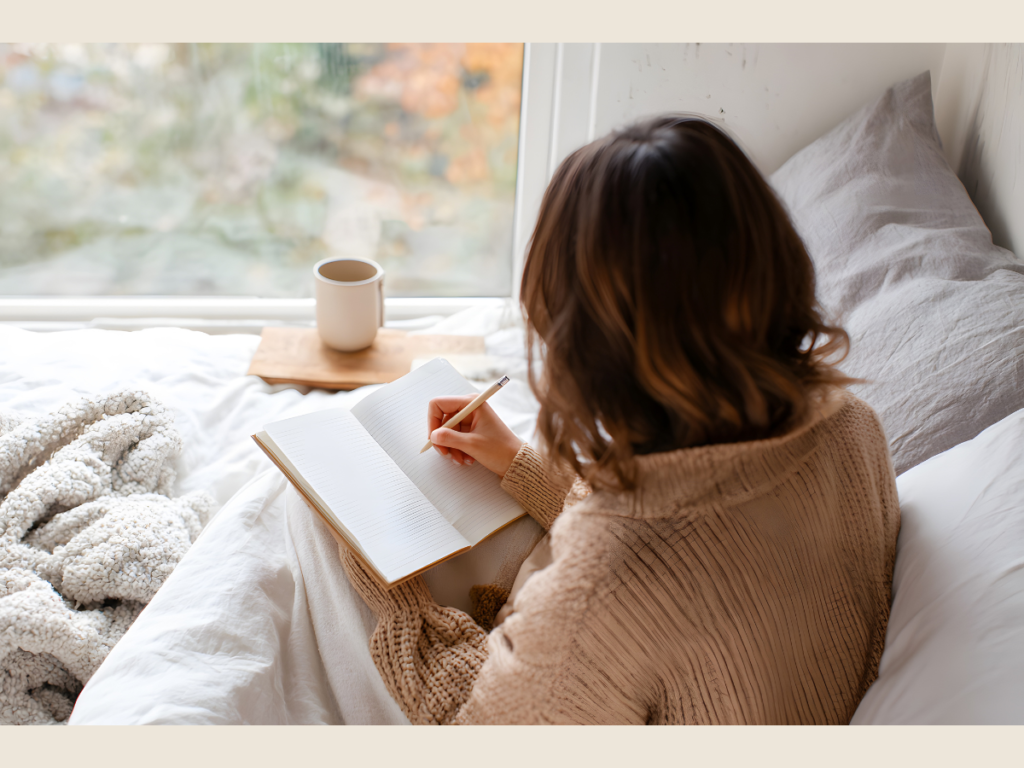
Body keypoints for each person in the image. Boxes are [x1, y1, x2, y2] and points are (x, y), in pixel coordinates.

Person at [338, 115, 901, 725]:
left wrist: (399, 603)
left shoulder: (608, 584)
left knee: (303, 527)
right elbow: (703, 523)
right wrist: (523, 466)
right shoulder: (851, 428)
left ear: (588, 344)